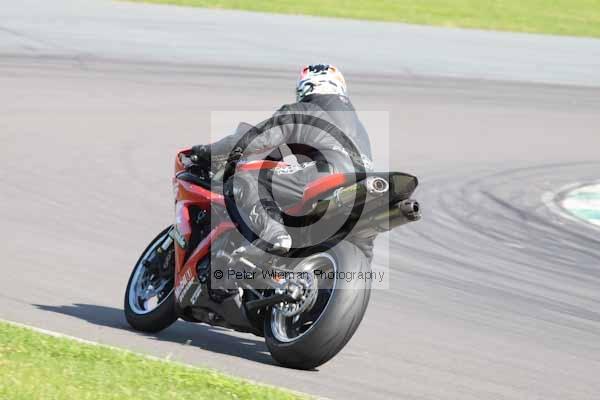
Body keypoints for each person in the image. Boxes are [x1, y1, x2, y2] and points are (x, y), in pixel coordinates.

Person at [191, 64, 374, 258]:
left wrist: (207, 151)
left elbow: (257, 139)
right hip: (363, 186)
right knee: (361, 251)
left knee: (245, 178)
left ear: (305, 88)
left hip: (326, 173)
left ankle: (274, 234)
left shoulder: (303, 110)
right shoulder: (360, 127)